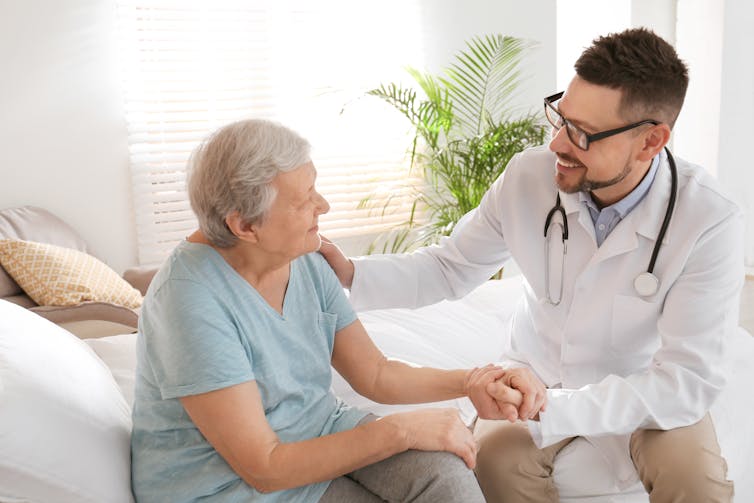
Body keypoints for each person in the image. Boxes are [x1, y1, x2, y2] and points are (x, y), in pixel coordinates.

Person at [320, 28, 744, 502]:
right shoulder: (528, 175)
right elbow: (450, 267)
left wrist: (558, 409)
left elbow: (685, 380)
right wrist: (349, 274)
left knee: (696, 480)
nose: (559, 144)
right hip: (535, 376)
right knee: (494, 463)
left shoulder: (708, 219)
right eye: (561, 118)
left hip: (643, 391)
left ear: (651, 141)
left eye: (583, 134)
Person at [130, 118, 523, 503]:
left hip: (317, 431)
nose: (324, 206)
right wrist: (400, 431)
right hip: (227, 486)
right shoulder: (189, 301)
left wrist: (472, 382)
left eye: (315, 188)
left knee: (444, 472)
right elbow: (264, 468)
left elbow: (376, 373)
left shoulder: (303, 257)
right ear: (246, 226)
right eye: (305, 201)